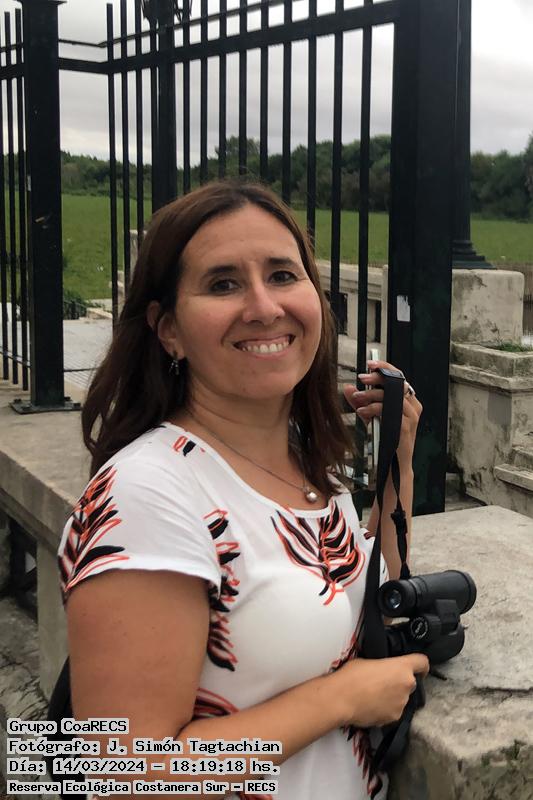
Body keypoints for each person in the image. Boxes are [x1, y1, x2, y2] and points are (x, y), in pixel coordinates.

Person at [57, 180, 428, 800]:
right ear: (168, 330)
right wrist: (339, 699)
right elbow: (121, 771)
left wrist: (399, 461)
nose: (263, 306)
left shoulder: (307, 465)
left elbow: (373, 587)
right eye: (223, 283)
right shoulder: (147, 495)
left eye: (282, 275)